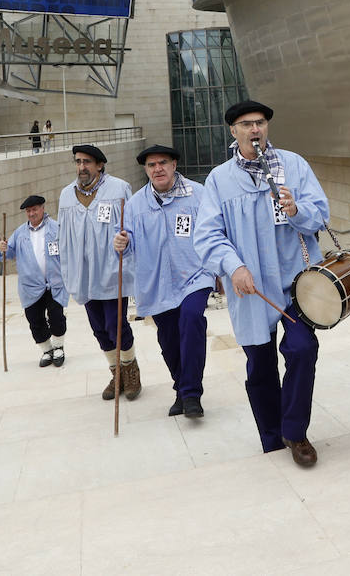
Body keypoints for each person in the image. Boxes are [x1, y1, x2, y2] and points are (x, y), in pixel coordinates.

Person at [195, 101, 329, 466]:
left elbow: (321, 213)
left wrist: (297, 210)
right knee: (260, 366)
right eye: (246, 124)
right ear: (233, 131)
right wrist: (233, 266)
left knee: (302, 349)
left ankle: (295, 432)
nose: (255, 129)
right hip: (250, 286)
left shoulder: (293, 166)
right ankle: (271, 438)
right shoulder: (220, 180)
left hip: (296, 281)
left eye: (260, 123)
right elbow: (207, 235)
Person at [115, 144, 215, 418]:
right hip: (156, 282)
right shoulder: (135, 204)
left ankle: (192, 394)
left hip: (194, 274)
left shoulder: (199, 195)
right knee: (168, 338)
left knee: (192, 319)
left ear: (174, 165)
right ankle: (181, 389)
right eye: (151, 165)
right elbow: (125, 240)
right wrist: (122, 242)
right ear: (146, 170)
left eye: (163, 163)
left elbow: (214, 230)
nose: (157, 169)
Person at [58, 144, 141, 399]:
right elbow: (63, 237)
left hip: (111, 270)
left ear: (100, 165)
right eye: (78, 162)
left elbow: (132, 227)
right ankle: (116, 373)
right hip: (84, 274)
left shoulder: (118, 189)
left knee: (115, 325)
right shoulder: (66, 196)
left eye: (87, 162)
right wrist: (67, 271)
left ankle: (131, 371)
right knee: (99, 329)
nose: (81, 167)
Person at [0, 195, 68, 367]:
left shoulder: (56, 227)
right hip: (30, 287)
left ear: (43, 208)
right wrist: (2, 248)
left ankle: (58, 347)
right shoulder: (20, 233)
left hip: (54, 283)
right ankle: (46, 349)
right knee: (35, 319)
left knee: (56, 316)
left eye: (34, 209)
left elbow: (68, 249)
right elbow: (8, 253)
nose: (31, 213)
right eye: (28, 211)